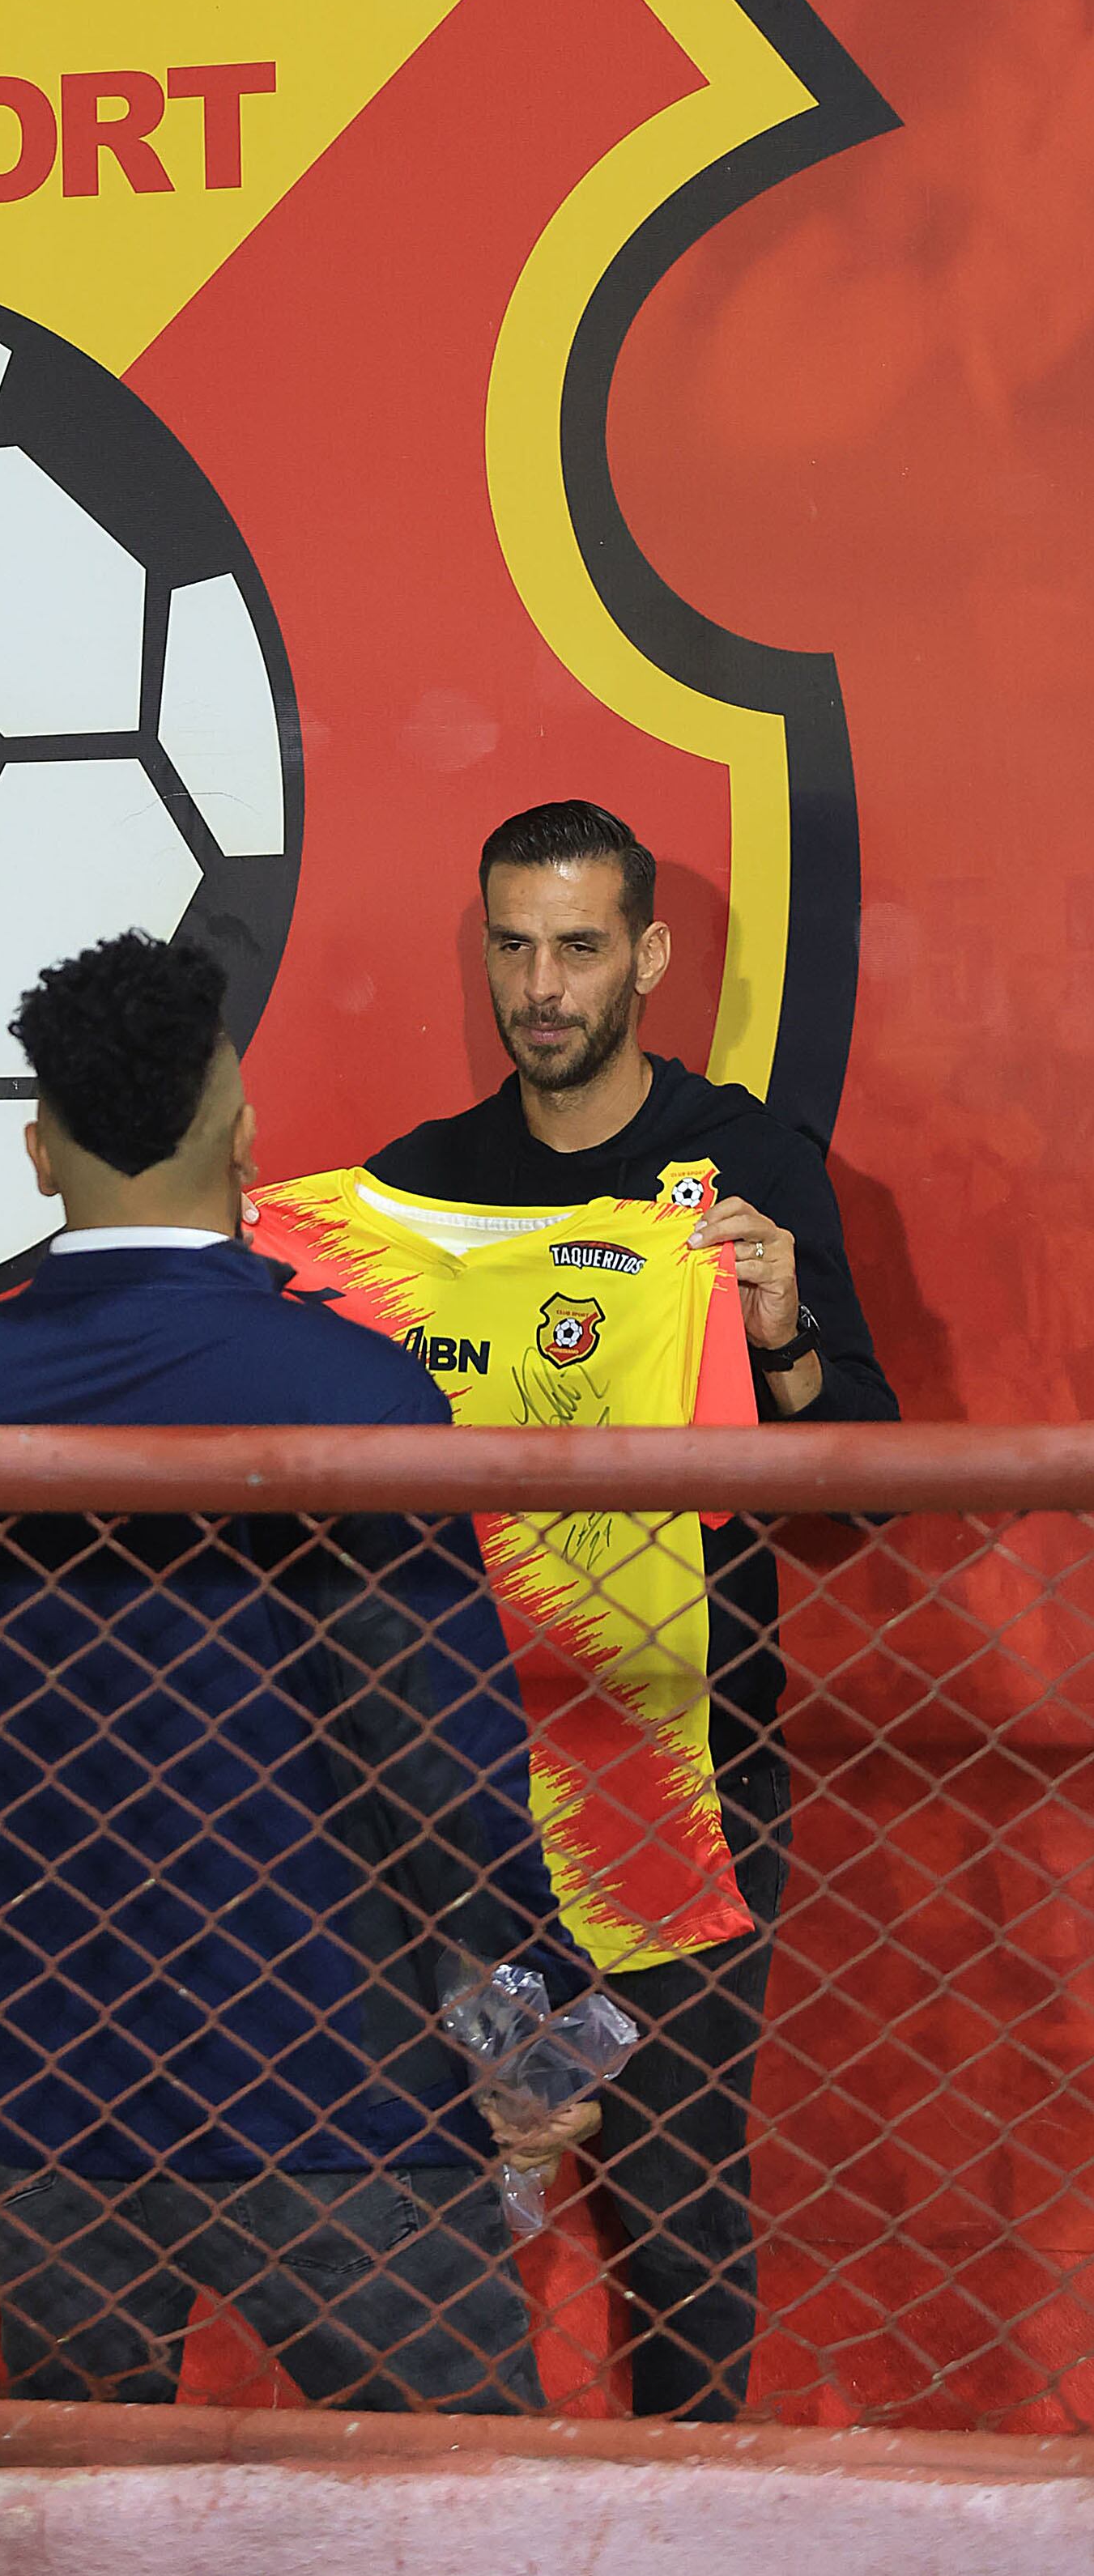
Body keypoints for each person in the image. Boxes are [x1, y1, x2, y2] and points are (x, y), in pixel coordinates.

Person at [0, 929, 597, 2413]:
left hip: (39, 2080)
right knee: (462, 2507)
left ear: (37, 1149)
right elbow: (436, 1751)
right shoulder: (351, 1391)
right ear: (245, 1134)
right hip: (332, 2085)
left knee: (82, 2535)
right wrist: (536, 2018)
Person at [365, 801, 899, 2419]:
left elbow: (865, 1485)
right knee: (431, 2201)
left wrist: (786, 1334)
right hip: (452, 1777)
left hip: (688, 1768)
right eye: (513, 946)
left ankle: (682, 2535)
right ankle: (447, 2550)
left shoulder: (745, 1165)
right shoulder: (417, 1194)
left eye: (578, 946)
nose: (542, 985)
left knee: (666, 2201)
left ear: (650, 957)